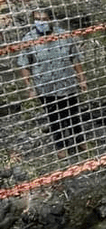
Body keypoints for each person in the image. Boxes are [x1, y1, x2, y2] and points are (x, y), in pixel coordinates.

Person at [17, 7, 88, 160]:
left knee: (73, 114)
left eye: (43, 19)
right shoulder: (28, 39)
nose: (40, 23)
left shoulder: (63, 35)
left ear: (50, 20)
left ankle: (80, 141)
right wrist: (29, 87)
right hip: (45, 86)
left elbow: (74, 57)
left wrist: (81, 78)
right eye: (37, 19)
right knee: (54, 117)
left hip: (67, 83)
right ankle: (60, 146)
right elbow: (24, 65)